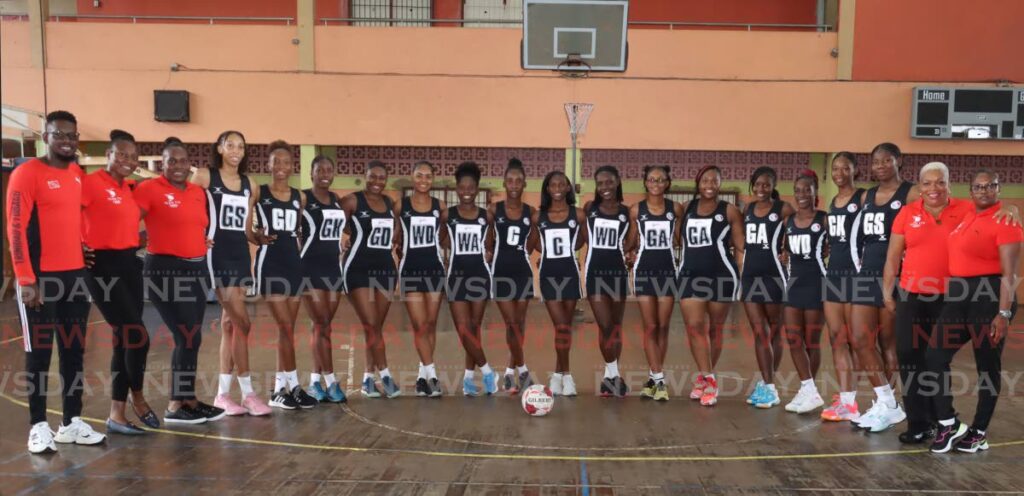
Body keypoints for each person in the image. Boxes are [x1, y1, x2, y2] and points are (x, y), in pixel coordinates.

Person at [880, 163, 1018, 440]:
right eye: (927, 183)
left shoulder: (966, 209)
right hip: (911, 294)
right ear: (919, 187)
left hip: (952, 297)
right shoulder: (907, 213)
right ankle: (919, 424)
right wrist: (887, 292)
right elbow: (893, 256)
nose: (934, 188)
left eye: (940, 182)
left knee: (936, 358)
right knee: (909, 356)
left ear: (949, 185)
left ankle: (941, 419)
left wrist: (1013, 209)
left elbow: (995, 212)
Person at [8, 110, 106, 453]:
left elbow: (71, 218)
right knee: (39, 354)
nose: (66, 141)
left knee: (73, 351)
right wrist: (26, 278)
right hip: (39, 278)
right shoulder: (27, 173)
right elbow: (16, 228)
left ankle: (71, 423)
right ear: (45, 136)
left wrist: (82, 246)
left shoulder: (77, 173)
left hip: (74, 277)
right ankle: (38, 426)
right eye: (59, 134)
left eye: (71, 135)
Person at [926, 169, 1022, 453]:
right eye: (978, 187)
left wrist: (1003, 314)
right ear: (970, 191)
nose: (984, 191)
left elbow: (1009, 275)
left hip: (989, 296)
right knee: (934, 355)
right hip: (959, 295)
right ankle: (949, 423)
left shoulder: (1006, 222)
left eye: (990, 186)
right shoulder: (968, 213)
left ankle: (979, 431)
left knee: (987, 366)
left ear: (998, 188)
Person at [135, 137, 226, 425]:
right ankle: (176, 405)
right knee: (187, 335)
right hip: (165, 270)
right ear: (161, 164)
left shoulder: (197, 192)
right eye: (171, 161)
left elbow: (192, 224)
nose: (177, 166)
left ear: (190, 164)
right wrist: (139, 240)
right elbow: (126, 221)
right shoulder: (148, 189)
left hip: (196, 269)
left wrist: (198, 240)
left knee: (191, 336)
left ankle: (188, 399)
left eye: (183, 161)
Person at [81, 129, 158, 434]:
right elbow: (67, 214)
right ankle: (138, 398)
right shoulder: (90, 183)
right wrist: (76, 245)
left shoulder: (129, 189)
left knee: (123, 339)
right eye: (122, 154)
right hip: (101, 267)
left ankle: (116, 414)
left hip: (129, 265)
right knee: (138, 336)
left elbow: (124, 227)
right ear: (109, 155)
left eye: (133, 156)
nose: (128, 160)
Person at [191, 130, 269, 416]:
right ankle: (248, 394)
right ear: (220, 148)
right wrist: (195, 235)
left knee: (230, 325)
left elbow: (246, 228)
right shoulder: (204, 177)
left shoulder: (251, 185)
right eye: (231, 145)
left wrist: (258, 238)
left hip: (240, 256)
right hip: (216, 256)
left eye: (241, 146)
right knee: (243, 322)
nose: (236, 150)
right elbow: (188, 209)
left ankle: (222, 395)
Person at [848, 143, 916, 432]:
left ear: (898, 161)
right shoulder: (867, 196)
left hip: (896, 276)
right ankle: (888, 404)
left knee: (889, 344)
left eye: (886, 160)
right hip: (867, 273)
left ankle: (885, 407)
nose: (880, 166)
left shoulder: (911, 193)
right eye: (876, 161)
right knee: (860, 340)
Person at [251, 141, 317, 410]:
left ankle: (281, 389)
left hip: (293, 265)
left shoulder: (299, 197)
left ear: (293, 166)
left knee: (287, 330)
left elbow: (297, 231)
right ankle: (293, 386)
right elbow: (245, 225)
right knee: (285, 327)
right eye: (275, 161)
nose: (281, 166)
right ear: (268, 164)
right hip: (270, 263)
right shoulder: (258, 191)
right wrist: (255, 236)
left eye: (286, 162)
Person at [677, 165, 744, 407]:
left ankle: (705, 378)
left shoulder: (730, 211)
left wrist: (743, 272)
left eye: (714, 181)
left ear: (720, 184)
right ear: (698, 183)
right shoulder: (686, 208)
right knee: (694, 327)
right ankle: (709, 378)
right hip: (690, 275)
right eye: (705, 180)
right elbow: (677, 239)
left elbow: (741, 246)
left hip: (721, 275)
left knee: (715, 329)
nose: (709, 185)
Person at [342, 160, 400, 398]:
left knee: (375, 326)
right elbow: (335, 225)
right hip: (358, 269)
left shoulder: (390, 203)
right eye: (372, 176)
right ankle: (385, 374)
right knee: (371, 324)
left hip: (385, 270)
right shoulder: (352, 201)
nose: (377, 181)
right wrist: (348, 240)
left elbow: (396, 230)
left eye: (381, 178)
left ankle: (367, 378)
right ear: (364, 176)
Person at [627, 165, 682, 401]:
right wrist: (626, 252)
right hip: (644, 271)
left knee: (662, 326)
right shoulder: (636, 210)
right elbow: (631, 241)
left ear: (667, 183)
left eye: (660, 179)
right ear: (645, 182)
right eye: (651, 179)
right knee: (650, 326)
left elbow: (680, 239)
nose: (656, 183)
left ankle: (653, 377)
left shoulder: (675, 208)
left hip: (667, 271)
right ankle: (659, 379)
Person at [741, 166, 793, 409]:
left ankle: (768, 385)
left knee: (774, 331)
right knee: (759, 332)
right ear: (752, 185)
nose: (761, 188)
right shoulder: (747, 209)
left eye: (767, 184)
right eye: (758, 184)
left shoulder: (783, 209)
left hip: (774, 276)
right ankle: (768, 385)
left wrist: (788, 250)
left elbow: (798, 229)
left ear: (773, 186)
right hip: (751, 276)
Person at [532, 171, 587, 396]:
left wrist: (569, 250)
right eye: (552, 185)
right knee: (561, 326)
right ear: (547, 188)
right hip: (549, 275)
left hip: (570, 274)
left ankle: (557, 375)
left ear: (567, 188)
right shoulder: (538, 216)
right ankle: (567, 376)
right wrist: (545, 253)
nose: (557, 188)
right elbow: (534, 242)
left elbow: (582, 240)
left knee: (565, 327)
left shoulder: (578, 214)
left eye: (561, 184)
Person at [445, 161, 499, 396]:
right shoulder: (448, 215)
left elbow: (490, 244)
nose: (466, 191)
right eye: (462, 187)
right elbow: (442, 239)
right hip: (456, 276)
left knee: (474, 330)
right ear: (457, 189)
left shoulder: (486, 216)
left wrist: (488, 252)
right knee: (463, 330)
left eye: (471, 187)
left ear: (477, 189)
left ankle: (468, 379)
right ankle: (488, 372)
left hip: (479, 276)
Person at [820, 152, 865, 422]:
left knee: (857, 340)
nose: (839, 173)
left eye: (845, 168)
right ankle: (846, 400)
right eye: (835, 168)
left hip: (856, 275)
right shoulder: (833, 202)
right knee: (837, 338)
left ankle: (856, 399)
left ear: (855, 171)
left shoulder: (863, 198)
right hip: (833, 275)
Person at [395, 161, 446, 397]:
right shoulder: (401, 205)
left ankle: (421, 376)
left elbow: (445, 235)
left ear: (433, 179)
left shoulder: (440, 206)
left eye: (428, 176)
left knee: (431, 324)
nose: (423, 180)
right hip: (410, 269)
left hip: (434, 269)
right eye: (419, 175)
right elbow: (392, 232)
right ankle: (433, 376)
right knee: (419, 325)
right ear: (412, 177)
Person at [300, 155, 347, 403]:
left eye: (329, 170)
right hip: (310, 267)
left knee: (324, 326)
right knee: (321, 323)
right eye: (320, 170)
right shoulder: (303, 198)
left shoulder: (337, 200)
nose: (325, 174)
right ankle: (331, 381)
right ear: (312, 173)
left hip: (333, 268)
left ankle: (314, 382)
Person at [583, 165, 633, 398]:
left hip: (618, 274)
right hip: (595, 274)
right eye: (600, 183)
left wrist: (631, 254)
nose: (605, 187)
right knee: (605, 325)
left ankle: (609, 377)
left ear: (617, 182)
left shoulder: (626, 212)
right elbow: (582, 237)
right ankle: (614, 374)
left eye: (609, 182)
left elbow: (632, 240)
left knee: (615, 326)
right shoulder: (589, 208)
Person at [781, 170, 827, 414]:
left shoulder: (824, 219)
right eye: (797, 190)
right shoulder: (788, 221)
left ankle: (808, 390)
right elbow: (786, 249)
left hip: (817, 283)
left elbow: (834, 247)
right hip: (794, 284)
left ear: (815, 192)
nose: (801, 194)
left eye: (806, 190)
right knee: (793, 338)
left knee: (811, 341)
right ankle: (808, 389)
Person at [489, 158, 536, 394]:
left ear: (524, 183)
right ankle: (523, 370)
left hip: (522, 273)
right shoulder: (494, 210)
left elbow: (533, 242)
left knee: (519, 324)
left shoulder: (531, 212)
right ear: (504, 183)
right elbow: (487, 239)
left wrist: (522, 254)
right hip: (501, 272)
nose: (514, 184)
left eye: (518, 180)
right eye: (510, 180)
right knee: (512, 323)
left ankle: (509, 372)